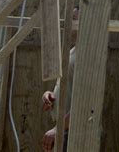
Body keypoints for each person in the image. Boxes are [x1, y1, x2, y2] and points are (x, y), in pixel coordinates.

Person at [41, 9, 78, 151]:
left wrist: (58, 129)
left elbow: (85, 103)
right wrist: (50, 95)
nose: (70, 23)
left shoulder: (87, 55)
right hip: (65, 128)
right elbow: (65, 85)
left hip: (74, 131)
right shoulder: (72, 52)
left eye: (75, 19)